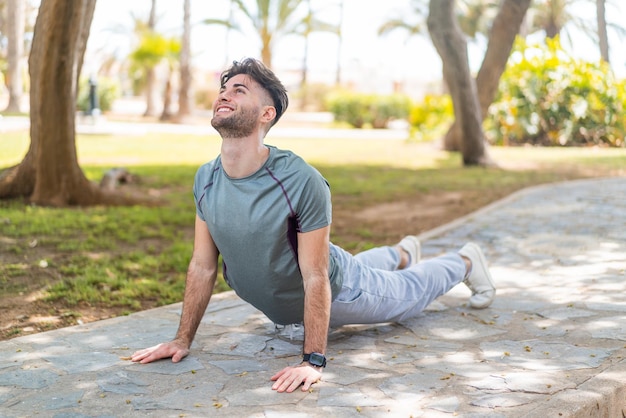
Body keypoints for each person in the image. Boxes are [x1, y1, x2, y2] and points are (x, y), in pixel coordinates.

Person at [131, 57, 496, 393]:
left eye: (239, 90)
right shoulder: (206, 178)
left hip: (342, 289)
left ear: (265, 114)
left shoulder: (299, 180)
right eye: (224, 89)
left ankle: (464, 261)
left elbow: (316, 276)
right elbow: (202, 264)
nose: (224, 95)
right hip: (307, 279)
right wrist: (181, 340)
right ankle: (400, 252)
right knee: (334, 260)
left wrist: (313, 360)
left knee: (409, 294)